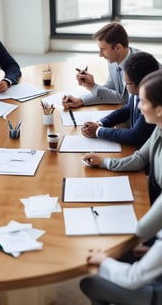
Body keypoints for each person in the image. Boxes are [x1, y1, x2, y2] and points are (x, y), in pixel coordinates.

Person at [80, 69, 162, 304]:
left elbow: (131, 278)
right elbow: (139, 158)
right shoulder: (159, 128)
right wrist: (104, 162)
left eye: (143, 102)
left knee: (91, 282)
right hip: (156, 230)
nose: (138, 107)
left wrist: (103, 259)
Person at [81, 52, 159, 148]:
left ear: (142, 83)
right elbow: (126, 110)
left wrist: (98, 131)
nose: (125, 86)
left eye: (128, 83)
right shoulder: (137, 93)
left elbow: (135, 135)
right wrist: (100, 123)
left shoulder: (152, 104)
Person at [63, 22, 142, 108]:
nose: (100, 54)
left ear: (118, 47)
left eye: (103, 49)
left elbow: (124, 98)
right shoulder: (114, 61)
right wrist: (81, 100)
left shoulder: (138, 66)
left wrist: (93, 87)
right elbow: (110, 90)